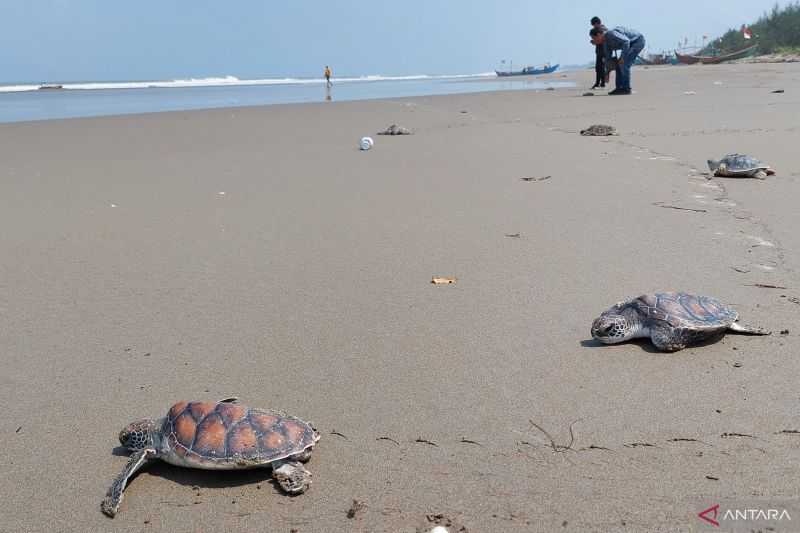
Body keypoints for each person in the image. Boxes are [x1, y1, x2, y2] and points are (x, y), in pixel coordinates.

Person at [590, 26, 645, 95]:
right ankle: (619, 88)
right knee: (618, 65)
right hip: (629, 44)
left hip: (637, 41)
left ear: (598, 35)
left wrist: (622, 57)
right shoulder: (605, 43)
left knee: (624, 64)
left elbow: (626, 42)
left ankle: (626, 89)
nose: (593, 41)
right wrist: (607, 73)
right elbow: (608, 59)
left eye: (593, 38)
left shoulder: (611, 34)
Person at [590, 17, 606, 89]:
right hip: (601, 50)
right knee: (599, 67)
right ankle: (601, 83)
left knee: (600, 67)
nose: (593, 26)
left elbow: (601, 40)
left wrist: (594, 41)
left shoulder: (599, 30)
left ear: (596, 23)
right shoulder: (604, 29)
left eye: (593, 24)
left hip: (602, 50)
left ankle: (599, 83)